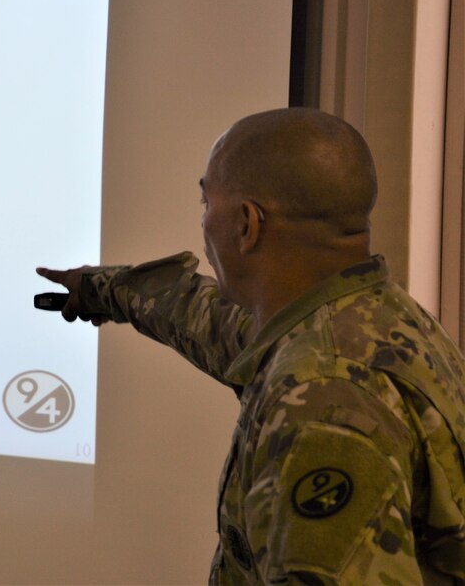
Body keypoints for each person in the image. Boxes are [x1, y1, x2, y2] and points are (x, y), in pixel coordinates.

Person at [38, 108, 465, 584]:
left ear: (247, 224)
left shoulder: (323, 397)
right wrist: (102, 288)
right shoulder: (370, 318)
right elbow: (207, 319)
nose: (204, 223)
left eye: (207, 204)